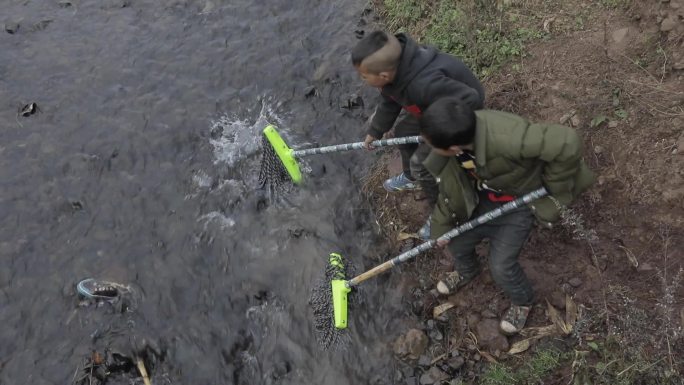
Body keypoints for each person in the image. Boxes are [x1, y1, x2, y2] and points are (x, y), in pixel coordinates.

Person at [418, 97, 595, 335]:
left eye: (431, 143)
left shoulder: (508, 138)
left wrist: (552, 185)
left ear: (453, 148)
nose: (427, 146)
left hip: (518, 207)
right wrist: (441, 229)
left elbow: (567, 142)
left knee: (501, 266)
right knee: (458, 241)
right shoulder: (451, 155)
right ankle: (467, 270)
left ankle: (523, 302)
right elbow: (451, 194)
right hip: (483, 200)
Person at [351, 31, 485, 239]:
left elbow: (472, 98)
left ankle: (443, 213)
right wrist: (375, 131)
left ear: (383, 76)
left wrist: (442, 132)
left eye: (364, 76)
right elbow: (389, 101)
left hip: (455, 116)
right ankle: (411, 177)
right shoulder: (394, 75)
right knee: (404, 131)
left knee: (424, 165)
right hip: (431, 109)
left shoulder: (424, 85)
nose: (361, 79)